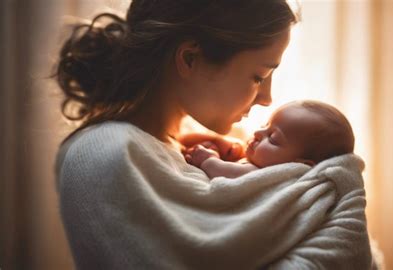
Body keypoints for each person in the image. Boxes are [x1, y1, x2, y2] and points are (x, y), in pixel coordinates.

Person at [54, 1, 375, 269]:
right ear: (190, 58)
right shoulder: (105, 153)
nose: (267, 98)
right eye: (258, 76)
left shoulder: (212, 146)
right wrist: (342, 179)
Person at [183, 100, 355, 179]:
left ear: (298, 165)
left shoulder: (274, 177)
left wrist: (208, 160)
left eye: (272, 138)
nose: (258, 132)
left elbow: (233, 174)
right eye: (265, 125)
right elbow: (184, 138)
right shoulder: (260, 160)